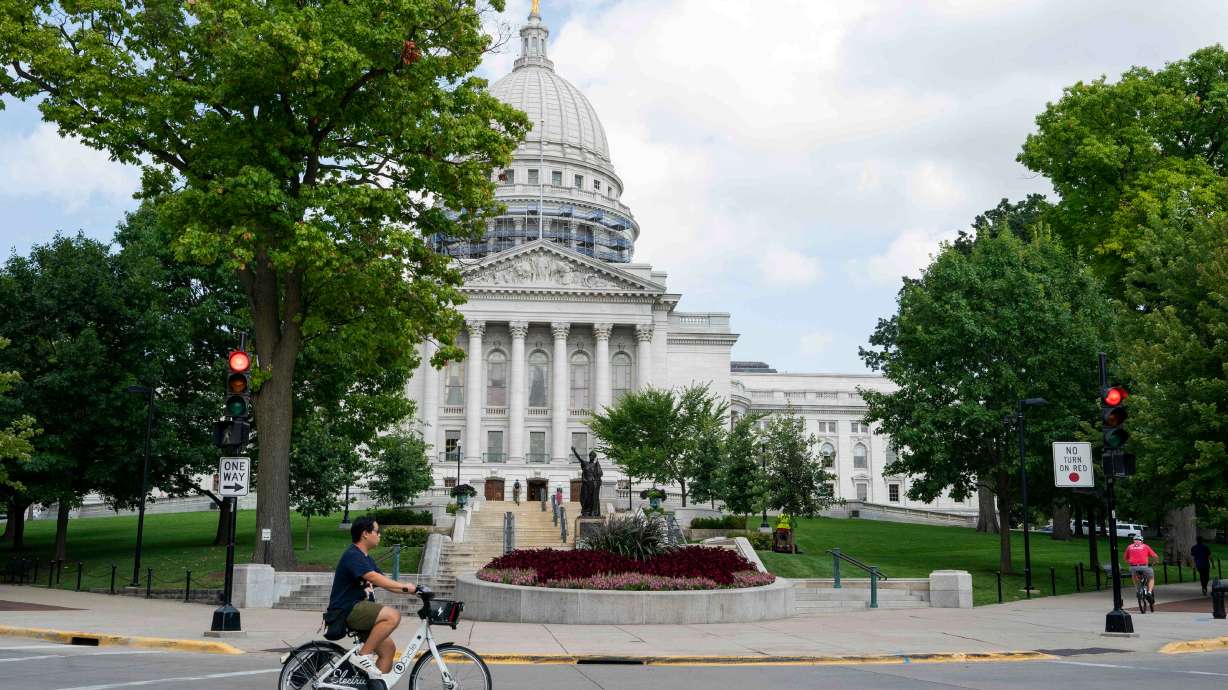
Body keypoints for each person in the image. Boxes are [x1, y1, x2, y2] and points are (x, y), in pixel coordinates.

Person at [327, 516, 419, 681]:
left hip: (357, 609)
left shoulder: (366, 558)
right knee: (393, 616)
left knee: (388, 650)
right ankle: (363, 656)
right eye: (377, 531)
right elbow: (372, 577)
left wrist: (414, 590)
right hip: (347, 609)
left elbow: (386, 583)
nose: (380, 535)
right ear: (365, 534)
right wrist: (404, 586)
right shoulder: (353, 555)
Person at [1124, 533, 1159, 604]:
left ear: (1133, 541)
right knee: (1151, 578)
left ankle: (1138, 590)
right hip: (1144, 566)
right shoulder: (1145, 546)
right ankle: (1149, 592)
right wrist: (1153, 563)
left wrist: (1130, 563)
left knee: (1134, 576)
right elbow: (1155, 556)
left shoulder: (1129, 547)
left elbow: (1125, 558)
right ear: (1142, 541)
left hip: (1133, 566)